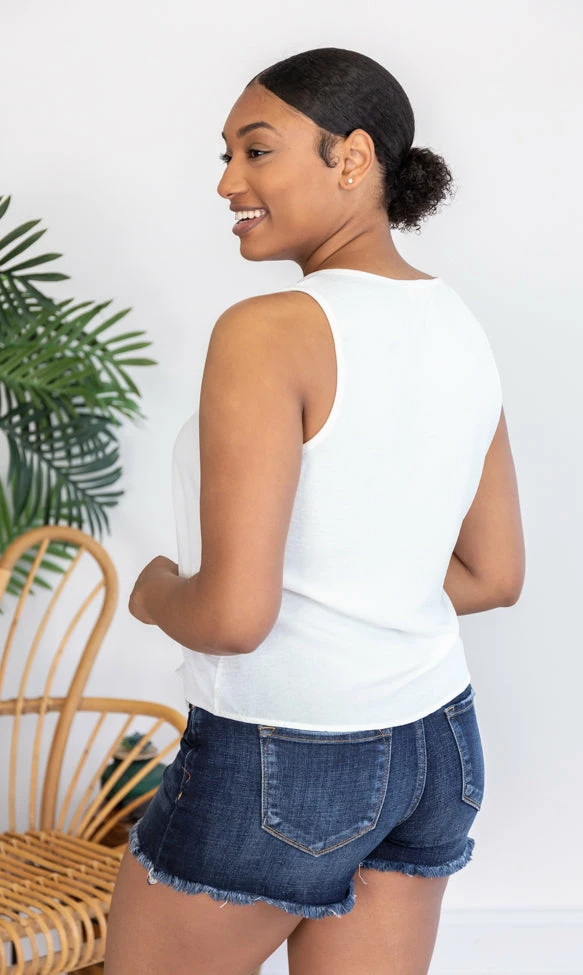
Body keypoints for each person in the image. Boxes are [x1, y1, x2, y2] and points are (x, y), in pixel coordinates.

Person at [104, 46, 525, 975]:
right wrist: (363, 591)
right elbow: (495, 574)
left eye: (256, 151)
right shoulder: (457, 324)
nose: (227, 182)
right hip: (437, 745)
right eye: (225, 156)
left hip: (282, 754)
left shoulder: (268, 332)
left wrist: (156, 589)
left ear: (353, 157)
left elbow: (232, 617)